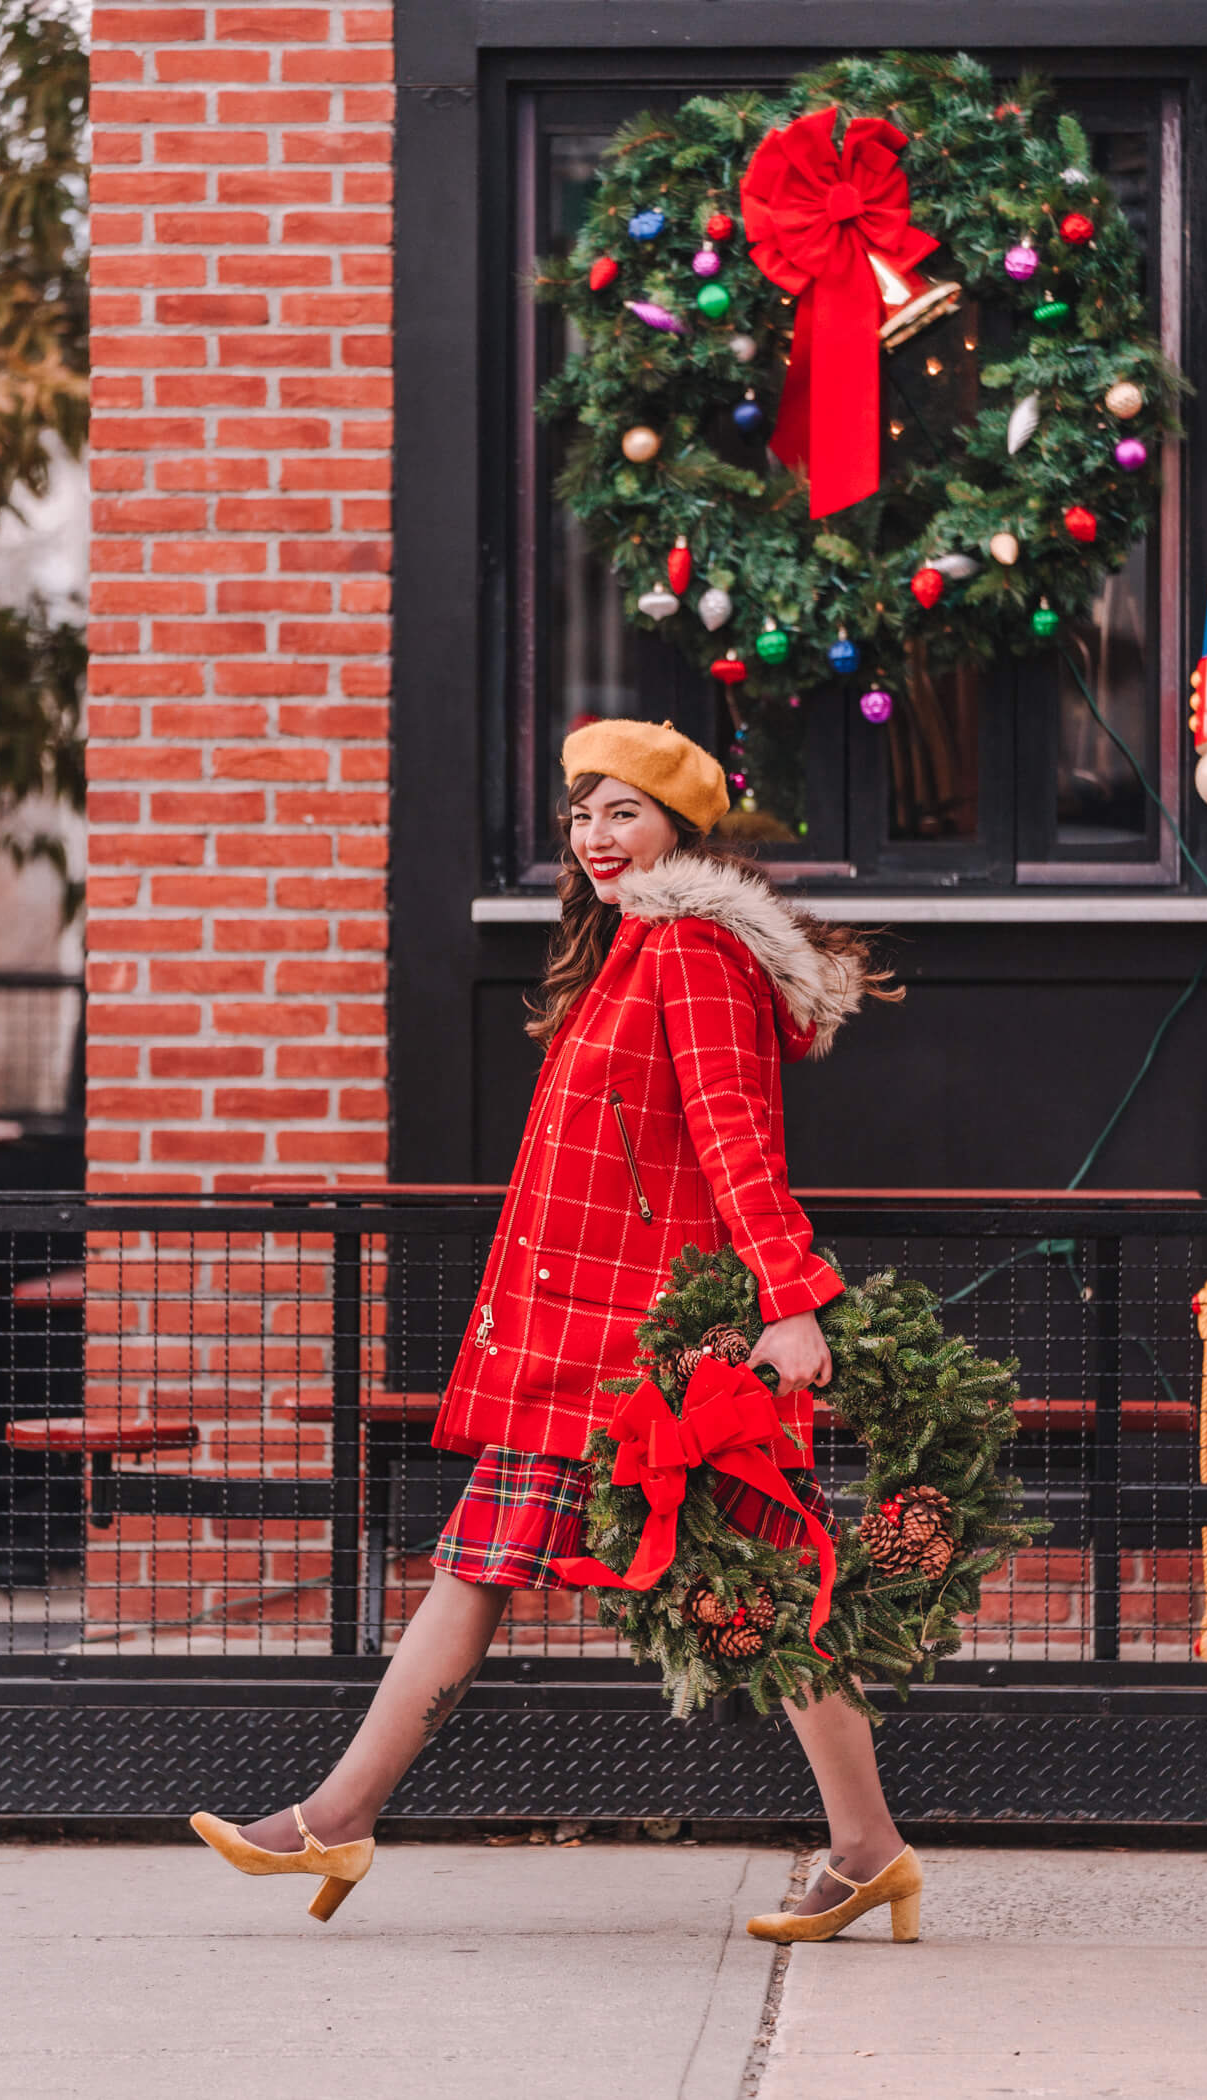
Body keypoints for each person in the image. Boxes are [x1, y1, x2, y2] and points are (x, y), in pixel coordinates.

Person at [190, 719, 923, 1945]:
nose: (594, 835)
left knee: (759, 1581)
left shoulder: (685, 950)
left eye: (622, 812)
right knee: (486, 1560)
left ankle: (867, 1848)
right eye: (581, 813)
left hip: (654, 1347)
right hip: (588, 1338)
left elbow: (734, 1132)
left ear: (679, 832)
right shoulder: (626, 952)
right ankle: (338, 1813)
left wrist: (790, 1302)